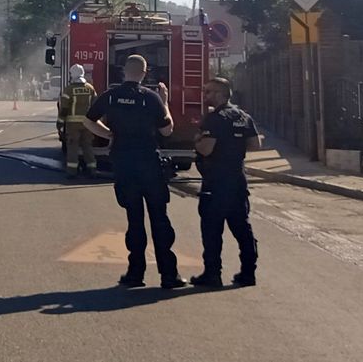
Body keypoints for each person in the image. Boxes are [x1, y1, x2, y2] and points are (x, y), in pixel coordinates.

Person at [83, 55, 185, 290]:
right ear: (144, 72)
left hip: (124, 164)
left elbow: (88, 121)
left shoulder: (111, 96)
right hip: (149, 164)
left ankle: (135, 273)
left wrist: (109, 134)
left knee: (134, 220)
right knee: (159, 219)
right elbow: (167, 130)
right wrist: (165, 101)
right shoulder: (150, 98)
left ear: (123, 72)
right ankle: (169, 275)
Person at [190, 77, 260, 288]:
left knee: (212, 230)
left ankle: (212, 274)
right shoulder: (243, 116)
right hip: (237, 180)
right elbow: (255, 145)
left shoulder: (213, 119)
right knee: (242, 228)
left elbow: (206, 149)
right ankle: (248, 274)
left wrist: (197, 141)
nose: (205, 96)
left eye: (209, 92)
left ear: (221, 94)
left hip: (215, 181)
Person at [57, 64, 97, 179]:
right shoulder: (90, 88)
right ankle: (92, 169)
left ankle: (72, 171)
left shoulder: (69, 90)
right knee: (87, 146)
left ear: (72, 75)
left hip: (73, 125)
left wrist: (60, 123)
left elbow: (64, 108)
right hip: (88, 124)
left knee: (73, 147)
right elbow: (95, 105)